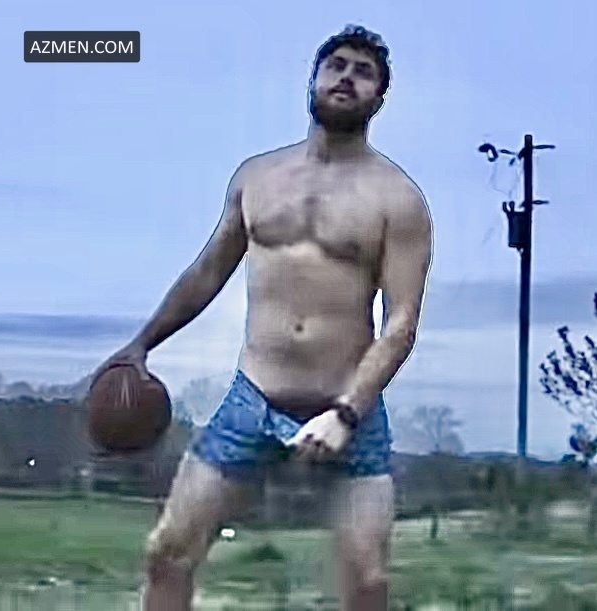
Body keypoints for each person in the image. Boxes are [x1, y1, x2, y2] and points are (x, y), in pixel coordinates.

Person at [96, 24, 433, 611]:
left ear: (380, 98)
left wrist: (346, 414)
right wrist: (141, 344)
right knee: (168, 553)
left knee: (368, 581)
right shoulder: (257, 178)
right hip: (252, 400)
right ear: (314, 79)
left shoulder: (398, 199)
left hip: (347, 405)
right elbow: (208, 271)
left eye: (363, 73)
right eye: (337, 65)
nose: (347, 78)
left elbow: (400, 324)